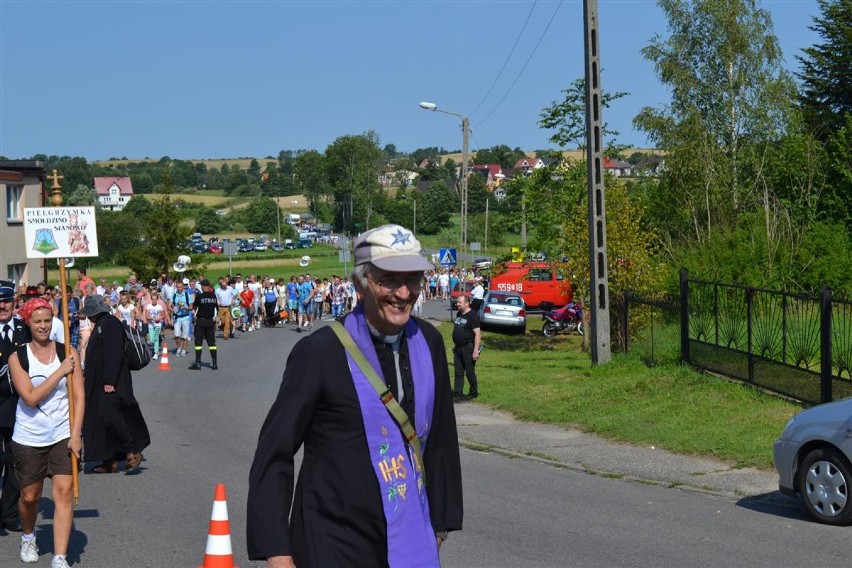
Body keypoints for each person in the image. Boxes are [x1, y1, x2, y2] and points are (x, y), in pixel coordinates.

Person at [247, 224, 463, 567]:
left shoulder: (429, 341)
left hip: (409, 534)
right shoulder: (319, 353)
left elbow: (440, 442)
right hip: (333, 538)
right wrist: (277, 551)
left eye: (413, 279)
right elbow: (275, 451)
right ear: (361, 284)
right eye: (389, 279)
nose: (404, 293)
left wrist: (440, 525)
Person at [7, 298, 84, 568]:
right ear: (28, 323)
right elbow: (29, 397)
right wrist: (59, 372)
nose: (43, 326)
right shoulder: (18, 358)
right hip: (28, 437)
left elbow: (79, 396)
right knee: (30, 496)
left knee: (63, 492)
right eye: (37, 321)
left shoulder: (68, 351)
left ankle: (60, 556)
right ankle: (29, 536)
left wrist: (76, 434)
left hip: (62, 434)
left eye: (47, 321)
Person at [80, 294, 150, 474]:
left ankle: (132, 451)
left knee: (113, 417)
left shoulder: (109, 323)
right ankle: (108, 460)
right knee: (101, 420)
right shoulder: (102, 324)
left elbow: (114, 353)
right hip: (100, 381)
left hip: (112, 382)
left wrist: (109, 380)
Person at [0, 280, 28, 533]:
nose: (2, 305)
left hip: (18, 407)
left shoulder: (24, 328)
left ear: (14, 302)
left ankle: (8, 514)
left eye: (7, 300)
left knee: (15, 463)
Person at [452, 294, 481, 401]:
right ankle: (458, 393)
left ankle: (473, 392)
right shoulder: (459, 313)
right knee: (458, 371)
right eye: (457, 302)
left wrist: (475, 350)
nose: (457, 304)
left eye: (460, 302)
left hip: (468, 347)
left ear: (467, 303)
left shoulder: (472, 315)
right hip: (458, 347)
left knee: (469, 371)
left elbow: (477, 334)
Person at [190, 279, 218, 371]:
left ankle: (198, 363)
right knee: (211, 343)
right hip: (210, 321)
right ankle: (214, 363)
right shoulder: (213, 296)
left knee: (198, 343)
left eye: (202, 285)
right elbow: (216, 308)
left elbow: (194, 307)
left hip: (201, 321)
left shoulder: (199, 296)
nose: (201, 287)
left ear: (204, 286)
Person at [171, 280, 193, 356]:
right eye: (178, 287)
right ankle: (179, 348)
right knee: (177, 335)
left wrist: (185, 308)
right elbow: (168, 305)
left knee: (185, 335)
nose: (179, 288)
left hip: (185, 317)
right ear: (176, 287)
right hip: (177, 317)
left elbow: (191, 307)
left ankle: (184, 350)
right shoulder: (174, 295)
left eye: (180, 287)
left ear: (183, 287)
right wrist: (173, 309)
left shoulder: (187, 295)